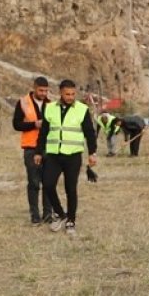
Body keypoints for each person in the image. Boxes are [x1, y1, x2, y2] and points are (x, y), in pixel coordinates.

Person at [35, 79, 98, 237]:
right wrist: (38, 151)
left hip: (73, 155)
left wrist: (92, 153)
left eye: (73, 94)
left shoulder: (82, 109)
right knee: (48, 185)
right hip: (54, 155)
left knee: (71, 189)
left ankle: (71, 220)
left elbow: (90, 133)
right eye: (67, 94)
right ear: (60, 93)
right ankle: (61, 214)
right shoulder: (49, 108)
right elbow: (43, 133)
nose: (70, 97)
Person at [12, 77, 52, 225]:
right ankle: (35, 215)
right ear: (34, 88)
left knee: (48, 182)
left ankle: (48, 214)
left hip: (49, 148)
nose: (44, 93)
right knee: (34, 183)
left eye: (46, 90)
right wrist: (34, 124)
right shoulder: (23, 102)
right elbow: (16, 124)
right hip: (30, 147)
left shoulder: (51, 104)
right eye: (41, 90)